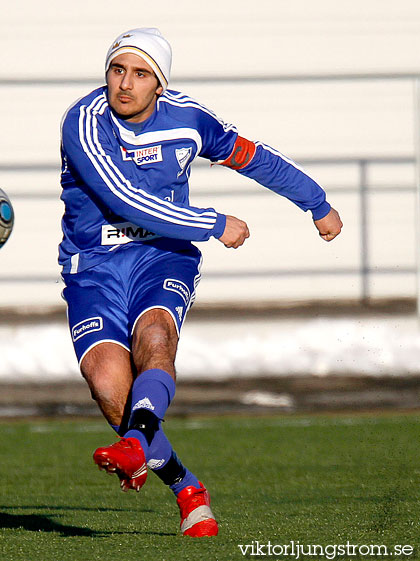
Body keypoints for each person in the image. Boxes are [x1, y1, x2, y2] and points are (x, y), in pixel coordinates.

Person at [58, 28, 342, 537]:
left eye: (140, 74)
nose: (124, 84)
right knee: (106, 383)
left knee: (156, 338)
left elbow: (254, 155)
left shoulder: (189, 121)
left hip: (161, 257)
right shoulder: (83, 121)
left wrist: (315, 202)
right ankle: (186, 485)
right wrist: (212, 223)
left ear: (160, 83)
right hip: (93, 266)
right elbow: (121, 198)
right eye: (116, 70)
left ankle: (149, 456)